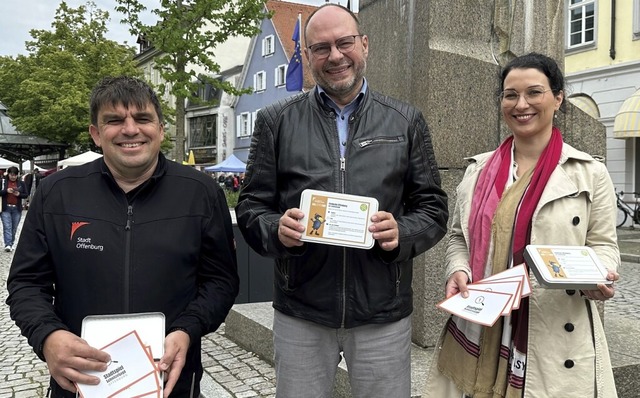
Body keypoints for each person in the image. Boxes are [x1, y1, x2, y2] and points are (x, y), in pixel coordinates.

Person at [235, 4, 449, 397]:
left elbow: (434, 209)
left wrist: (400, 232)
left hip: (382, 313)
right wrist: (276, 229)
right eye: (321, 48)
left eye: (344, 43)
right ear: (308, 56)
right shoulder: (276, 121)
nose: (335, 56)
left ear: (364, 45)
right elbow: (250, 206)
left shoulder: (405, 121)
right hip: (302, 311)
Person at [6, 76, 239, 398]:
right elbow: (26, 283)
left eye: (142, 118)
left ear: (160, 128)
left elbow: (221, 281)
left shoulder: (200, 192)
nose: (130, 130)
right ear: (96, 134)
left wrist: (188, 329)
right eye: (114, 120)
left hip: (172, 379)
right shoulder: (56, 192)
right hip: (81, 381)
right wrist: (48, 337)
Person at [423, 53, 620, 397]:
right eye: (510, 94)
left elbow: (603, 244)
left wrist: (598, 275)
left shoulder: (589, 173)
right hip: (482, 322)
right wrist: (458, 271)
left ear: (558, 98)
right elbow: (459, 238)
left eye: (534, 92)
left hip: (551, 328)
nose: (521, 104)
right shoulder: (478, 172)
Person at [1, 166, 28, 251]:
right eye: (11, 175)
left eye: (15, 175)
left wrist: (19, 194)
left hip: (17, 208)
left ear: (17, 175)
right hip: (6, 208)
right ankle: (8, 244)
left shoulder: (21, 183)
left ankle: (11, 243)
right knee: (7, 226)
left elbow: (26, 194)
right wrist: (6, 191)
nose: (13, 177)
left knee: (14, 227)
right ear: (8, 174)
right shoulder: (3, 182)